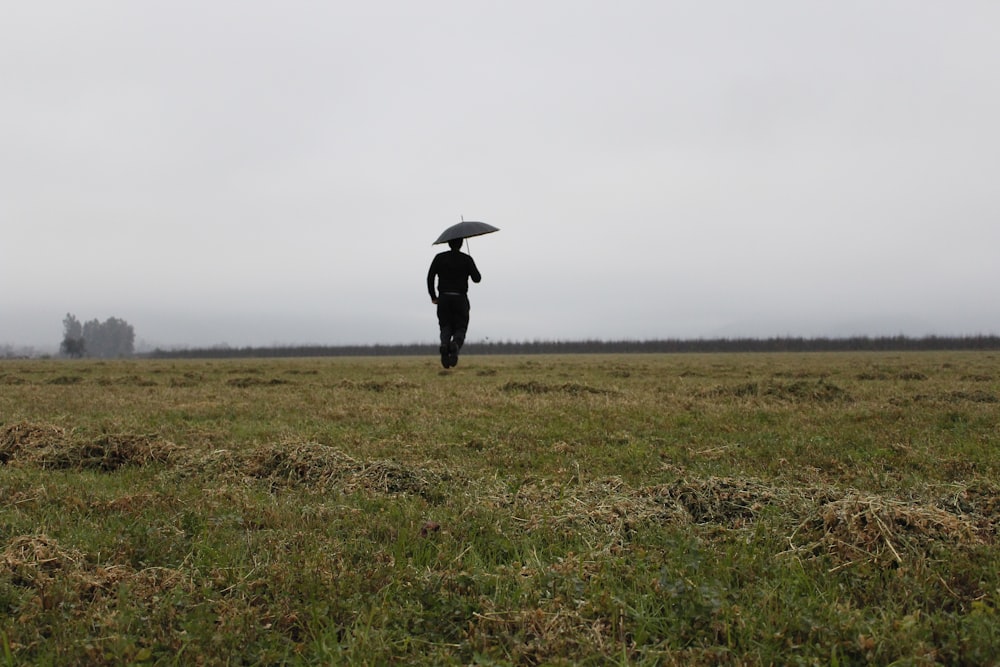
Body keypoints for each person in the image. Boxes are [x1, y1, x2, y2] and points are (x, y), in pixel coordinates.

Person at [427, 238, 481, 368]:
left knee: (445, 326)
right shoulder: (466, 259)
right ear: (461, 244)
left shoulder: (439, 258)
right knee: (460, 328)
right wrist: (469, 262)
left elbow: (430, 277)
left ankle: (445, 344)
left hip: (444, 299)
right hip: (460, 299)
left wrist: (433, 296)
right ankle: (455, 345)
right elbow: (477, 279)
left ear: (448, 243)